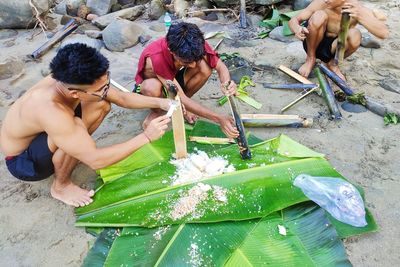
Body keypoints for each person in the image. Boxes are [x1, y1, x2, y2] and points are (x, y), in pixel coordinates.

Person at [0, 43, 171, 207]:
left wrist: (163, 103)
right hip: (24, 162)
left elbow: (122, 98)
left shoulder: (73, 79)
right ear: (74, 93)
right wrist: (147, 136)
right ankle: (60, 187)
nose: (107, 90)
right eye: (102, 89)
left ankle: (73, 150)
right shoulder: (52, 110)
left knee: (101, 104)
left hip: (45, 134)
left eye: (107, 82)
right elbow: (96, 161)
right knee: (76, 125)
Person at [134, 21, 239, 138]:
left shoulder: (195, 42)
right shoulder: (157, 57)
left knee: (205, 68)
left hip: (173, 79)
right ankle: (157, 112)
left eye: (195, 60)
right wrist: (218, 119)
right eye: (186, 62)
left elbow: (220, 66)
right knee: (151, 87)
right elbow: (180, 95)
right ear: (171, 51)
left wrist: (226, 83)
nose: (193, 66)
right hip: (155, 84)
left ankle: (185, 106)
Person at [289, 0, 388, 80]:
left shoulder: (356, 9)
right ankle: (310, 59)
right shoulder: (321, 3)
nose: (326, 0)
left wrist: (361, 16)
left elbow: (383, 33)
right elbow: (294, 20)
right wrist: (297, 28)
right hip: (313, 44)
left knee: (355, 34)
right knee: (319, 15)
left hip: (334, 48)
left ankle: (333, 64)